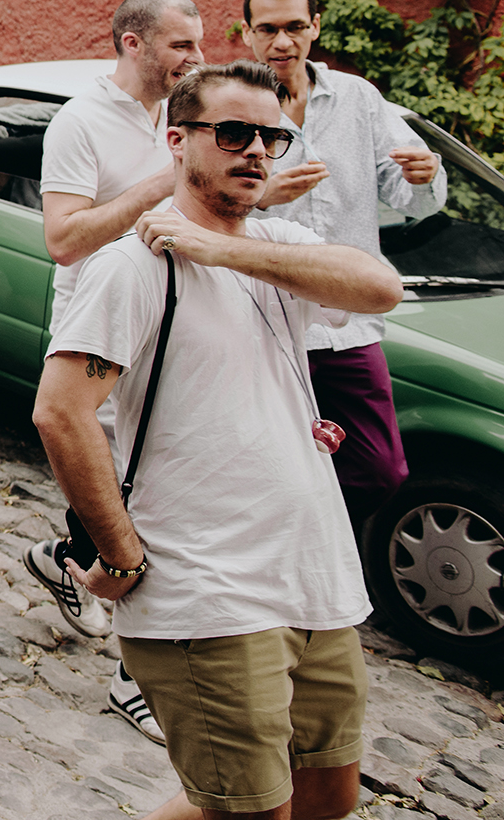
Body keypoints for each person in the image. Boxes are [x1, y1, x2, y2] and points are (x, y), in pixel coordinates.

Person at [35, 61, 403, 820]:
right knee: (247, 811)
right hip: (210, 592)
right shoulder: (133, 265)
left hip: (314, 579)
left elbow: (379, 288)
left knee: (324, 800)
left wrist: (222, 248)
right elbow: (60, 413)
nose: (257, 151)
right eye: (233, 132)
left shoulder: (272, 246)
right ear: (176, 139)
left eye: (272, 136)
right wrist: (118, 553)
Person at [17, 0, 202, 740]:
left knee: (154, 488)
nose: (197, 58)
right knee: (135, 499)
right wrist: (164, 180)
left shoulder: (173, 114)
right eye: (181, 45)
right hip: (98, 324)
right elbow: (63, 240)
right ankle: (138, 679)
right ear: (132, 42)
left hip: (169, 313)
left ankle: (65, 558)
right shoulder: (79, 120)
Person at [243, 0, 443, 531]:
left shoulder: (358, 97)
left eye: (294, 28)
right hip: (266, 320)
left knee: (381, 469)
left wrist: (425, 176)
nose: (282, 42)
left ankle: (308, 536)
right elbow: (201, 202)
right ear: (247, 34)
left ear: (315, 27)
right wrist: (263, 198)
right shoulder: (233, 103)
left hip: (349, 323)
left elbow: (409, 198)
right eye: (268, 29)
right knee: (260, 459)